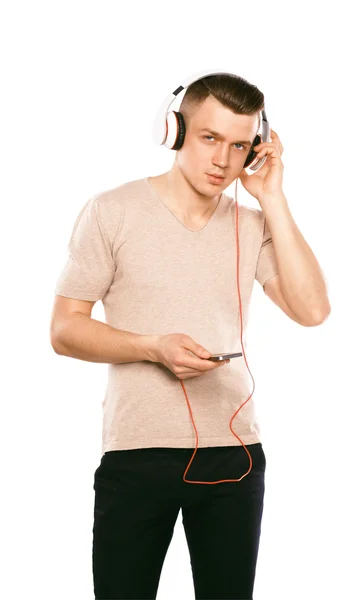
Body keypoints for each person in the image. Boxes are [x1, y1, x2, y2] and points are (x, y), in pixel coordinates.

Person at [50, 72, 330, 599]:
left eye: (239, 145)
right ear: (173, 130)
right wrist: (151, 347)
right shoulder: (111, 211)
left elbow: (312, 309)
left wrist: (272, 197)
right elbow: (65, 331)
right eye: (209, 138)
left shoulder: (251, 223)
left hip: (234, 453)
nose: (223, 161)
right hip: (137, 450)